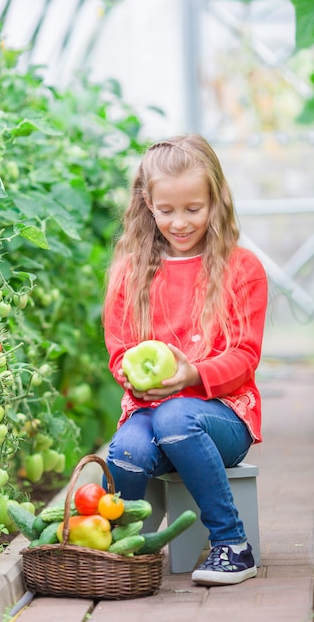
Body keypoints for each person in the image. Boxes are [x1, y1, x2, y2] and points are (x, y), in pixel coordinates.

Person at [102, 134, 268, 586]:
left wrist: (192, 373)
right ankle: (120, 556)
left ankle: (233, 545)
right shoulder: (131, 271)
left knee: (177, 416)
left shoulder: (242, 268)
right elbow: (119, 350)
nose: (179, 222)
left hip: (225, 418)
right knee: (127, 451)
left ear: (216, 200)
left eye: (193, 209)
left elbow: (245, 357)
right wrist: (135, 382)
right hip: (149, 409)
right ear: (147, 204)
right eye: (167, 210)